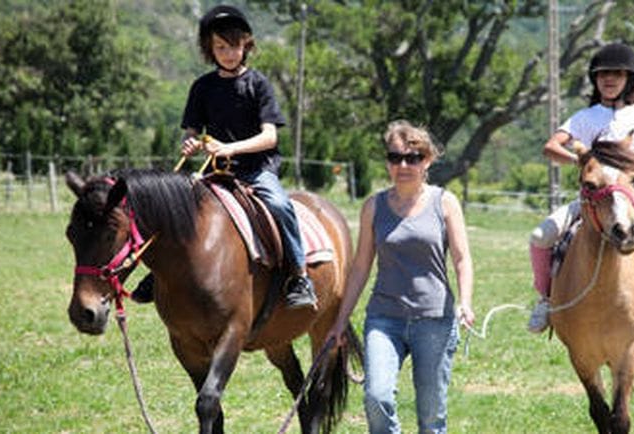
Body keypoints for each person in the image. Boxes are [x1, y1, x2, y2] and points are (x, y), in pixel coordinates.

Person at [131, 4, 317, 309]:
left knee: (281, 205)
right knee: (172, 208)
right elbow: (191, 131)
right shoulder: (202, 87)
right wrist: (190, 144)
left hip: (256, 169)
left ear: (246, 44)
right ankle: (157, 273)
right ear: (210, 49)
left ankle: (299, 276)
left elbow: (270, 136)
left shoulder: (258, 84)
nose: (229, 53)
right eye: (221, 46)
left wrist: (230, 148)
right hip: (215, 171)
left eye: (234, 45)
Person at [526, 42, 634, 334]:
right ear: (595, 79)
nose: (609, 79)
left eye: (617, 73)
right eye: (603, 73)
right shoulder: (584, 117)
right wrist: (584, 160)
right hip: (591, 202)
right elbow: (551, 147)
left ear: (629, 78)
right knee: (540, 235)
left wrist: (617, 157)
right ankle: (545, 299)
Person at [325, 120, 475, 434]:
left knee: (431, 416)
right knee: (376, 397)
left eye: (413, 158)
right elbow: (361, 267)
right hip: (384, 317)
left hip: (434, 319)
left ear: (428, 161)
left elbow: (462, 258)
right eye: (395, 158)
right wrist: (340, 321)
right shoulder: (373, 206)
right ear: (388, 163)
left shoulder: (444, 203)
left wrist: (465, 302)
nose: (403, 165)